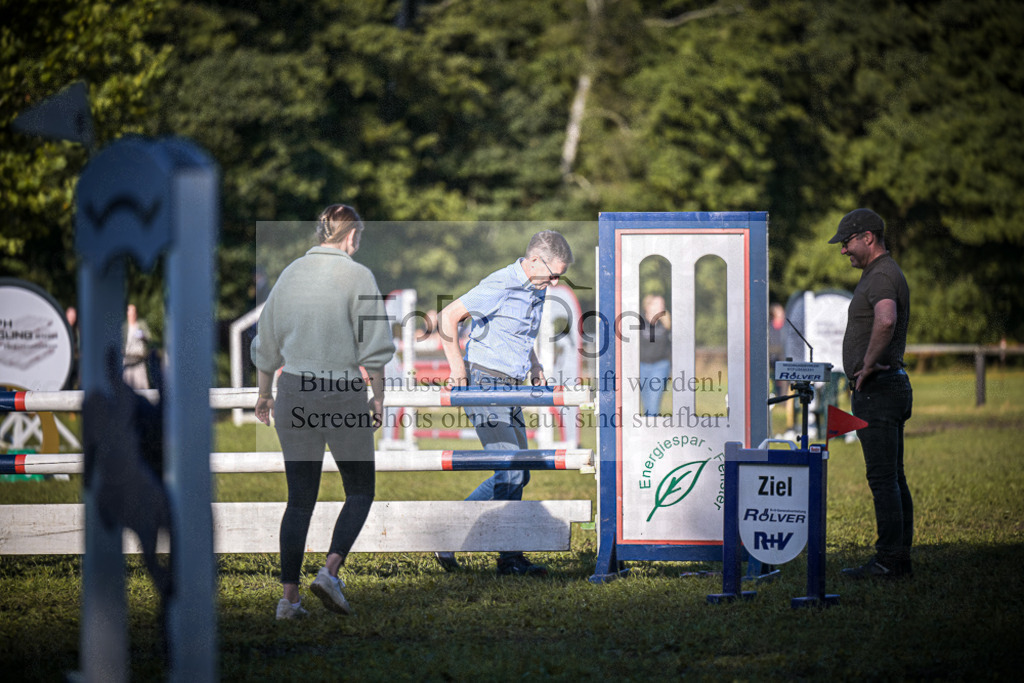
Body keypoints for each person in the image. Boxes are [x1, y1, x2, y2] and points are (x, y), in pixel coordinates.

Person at [250, 204, 395, 619]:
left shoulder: (290, 274)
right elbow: (375, 350)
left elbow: (266, 343)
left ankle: (289, 600)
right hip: (342, 393)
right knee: (361, 490)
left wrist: (264, 393)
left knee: (299, 500)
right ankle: (329, 572)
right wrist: (379, 397)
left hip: (293, 390)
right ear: (351, 236)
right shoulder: (358, 276)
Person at [434, 230, 574, 576]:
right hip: (484, 383)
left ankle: (447, 533)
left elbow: (520, 333)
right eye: (553, 274)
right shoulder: (501, 283)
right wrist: (457, 370)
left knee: (519, 471)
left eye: (560, 276)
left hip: (511, 387)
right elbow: (447, 316)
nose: (555, 282)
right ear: (534, 260)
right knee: (510, 467)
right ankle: (509, 559)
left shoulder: (537, 287)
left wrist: (535, 365)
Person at [829, 208, 914, 580]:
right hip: (888, 386)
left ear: (867, 237)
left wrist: (866, 364)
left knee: (883, 479)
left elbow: (886, 318)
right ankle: (898, 559)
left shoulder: (880, 275)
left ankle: (889, 562)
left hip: (878, 390)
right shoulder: (883, 272)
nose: (843, 250)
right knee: (893, 477)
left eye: (846, 242)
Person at [638, 294, 671, 416]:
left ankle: (652, 424)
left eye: (662, 305)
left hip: (660, 366)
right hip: (641, 366)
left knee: (653, 401)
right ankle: (649, 423)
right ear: (648, 306)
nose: (661, 307)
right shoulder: (639, 321)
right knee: (646, 402)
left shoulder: (666, 324)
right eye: (657, 304)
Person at [123, 303, 151, 390]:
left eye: (134, 313)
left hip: (139, 361)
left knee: (142, 389)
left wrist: (142, 336)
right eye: (131, 312)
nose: (133, 315)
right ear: (127, 313)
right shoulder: (124, 327)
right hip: (127, 362)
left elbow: (149, 338)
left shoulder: (141, 325)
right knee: (126, 389)